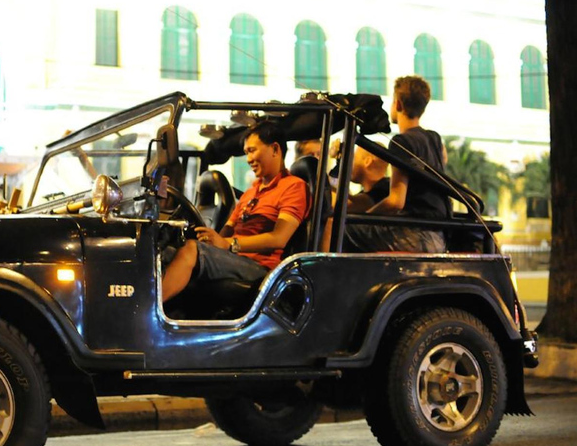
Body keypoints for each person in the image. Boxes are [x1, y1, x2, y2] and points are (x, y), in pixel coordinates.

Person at [162, 121, 309, 302]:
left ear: (275, 149)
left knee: (192, 250)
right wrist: (211, 239)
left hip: (261, 268)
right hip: (234, 260)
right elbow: (226, 232)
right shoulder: (250, 192)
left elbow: (279, 238)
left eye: (252, 150)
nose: (248, 159)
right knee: (166, 252)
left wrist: (229, 245)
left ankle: (145, 314)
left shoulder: (294, 187)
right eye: (246, 152)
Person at [345, 75, 448, 252]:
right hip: (438, 234)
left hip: (413, 234)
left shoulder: (401, 142)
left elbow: (395, 202)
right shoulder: (434, 138)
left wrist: (366, 217)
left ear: (398, 104)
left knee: (341, 229)